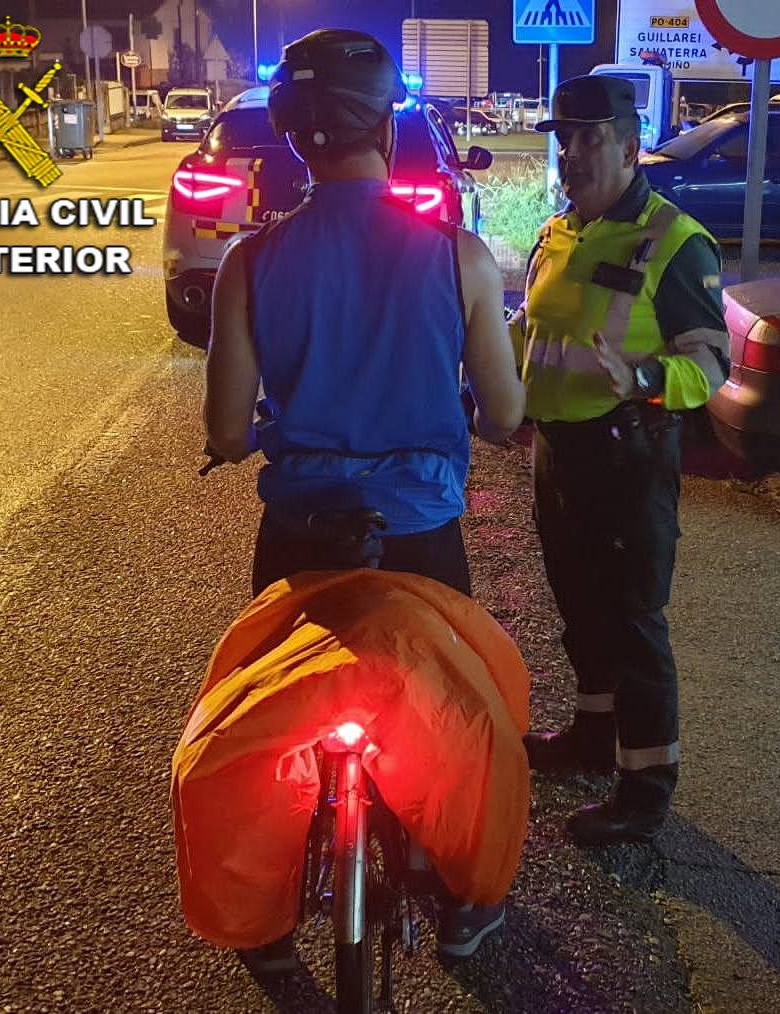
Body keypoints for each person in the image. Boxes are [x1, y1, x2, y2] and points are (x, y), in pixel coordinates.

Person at [201, 27, 525, 961]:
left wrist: (277, 427)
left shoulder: (250, 263)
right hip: (420, 536)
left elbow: (227, 433)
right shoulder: (459, 257)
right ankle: (462, 899)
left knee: (278, 711)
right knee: (458, 717)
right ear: (388, 125)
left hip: (300, 535)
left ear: (295, 138)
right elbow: (504, 415)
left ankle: (266, 920)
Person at [513, 75, 730, 847]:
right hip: (558, 452)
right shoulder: (556, 232)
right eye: (562, 138)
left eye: (587, 138)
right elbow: (531, 334)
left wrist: (641, 378)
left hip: (627, 455)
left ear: (631, 145)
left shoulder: (674, 241)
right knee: (580, 611)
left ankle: (644, 788)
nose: (569, 154)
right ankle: (590, 741)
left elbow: (711, 367)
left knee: (633, 621)